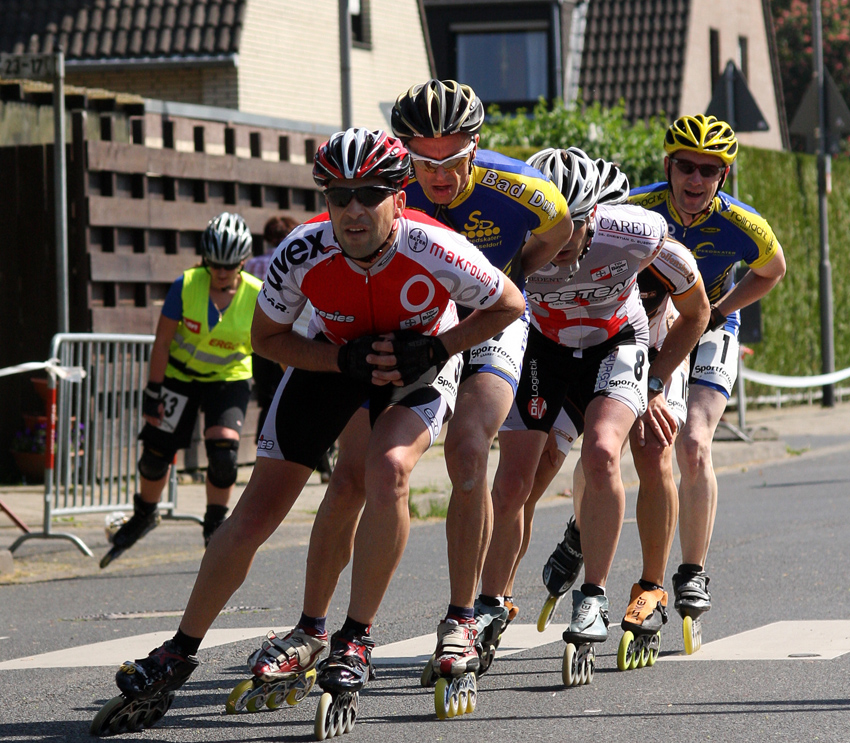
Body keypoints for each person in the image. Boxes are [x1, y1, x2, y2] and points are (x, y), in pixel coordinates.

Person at [101, 128, 525, 724]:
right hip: (332, 362)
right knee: (257, 511)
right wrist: (338, 359)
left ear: (399, 198)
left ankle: (356, 636)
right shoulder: (301, 252)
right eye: (340, 194)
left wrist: (439, 348)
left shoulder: (436, 246)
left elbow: (509, 303)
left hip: (414, 368)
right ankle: (181, 649)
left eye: (370, 193)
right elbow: (267, 340)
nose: (353, 208)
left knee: (387, 470)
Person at [269, 79, 572, 687]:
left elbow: (555, 233)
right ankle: (314, 627)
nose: (438, 173)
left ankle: (464, 616)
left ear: (476, 145)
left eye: (453, 158)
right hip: (412, 325)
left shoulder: (524, 189)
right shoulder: (386, 190)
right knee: (357, 470)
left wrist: (507, 274)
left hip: (484, 317)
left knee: (467, 453)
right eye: (423, 159)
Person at [544, 115, 786, 629]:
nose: (694, 180)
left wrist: (722, 311)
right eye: (684, 167)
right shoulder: (637, 209)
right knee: (601, 437)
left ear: (724, 176)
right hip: (647, 322)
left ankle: (693, 571)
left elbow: (773, 270)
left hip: (710, 319)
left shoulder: (745, 224)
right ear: (667, 166)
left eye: (708, 170)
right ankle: (582, 530)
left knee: (693, 442)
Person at [495, 159, 710, 645]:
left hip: (642, 345)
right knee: (534, 468)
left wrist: (656, 382)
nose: (566, 240)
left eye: (579, 224)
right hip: (554, 349)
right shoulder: (522, 241)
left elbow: (697, 313)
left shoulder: (640, 236)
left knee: (649, 449)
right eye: (556, 227)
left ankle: (650, 587)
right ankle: (502, 592)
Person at [99, 212, 261, 569]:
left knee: (224, 455)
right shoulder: (185, 285)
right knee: (155, 455)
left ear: (243, 261)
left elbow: (269, 343)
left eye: (229, 265)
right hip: (180, 378)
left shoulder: (256, 293)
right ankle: (144, 514)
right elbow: (162, 342)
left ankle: (214, 525)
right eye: (214, 264)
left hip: (228, 379)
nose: (220, 272)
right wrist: (153, 392)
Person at [244, 215, 299, 437]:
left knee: (267, 397)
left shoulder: (250, 264)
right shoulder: (293, 261)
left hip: (258, 338)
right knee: (290, 394)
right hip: (288, 338)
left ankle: (265, 444)